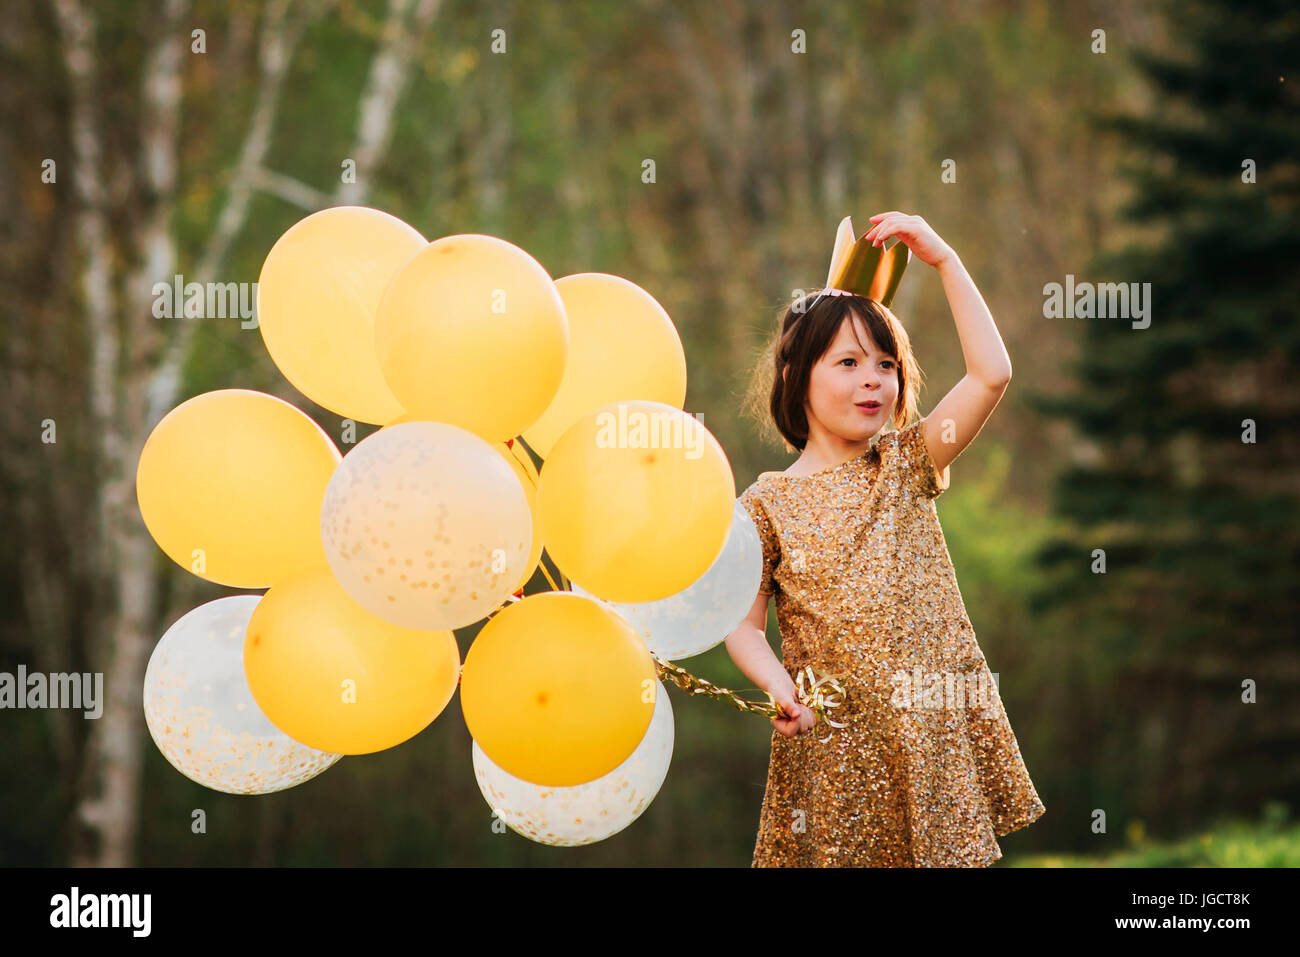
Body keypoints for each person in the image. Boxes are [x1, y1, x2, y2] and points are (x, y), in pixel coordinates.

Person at [726, 211, 1046, 867]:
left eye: (886, 363)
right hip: (832, 747)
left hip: (924, 740)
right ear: (796, 377)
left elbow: (990, 374)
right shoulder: (764, 504)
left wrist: (946, 261)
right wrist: (778, 686)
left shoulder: (905, 464)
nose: (873, 377)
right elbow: (743, 625)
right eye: (847, 362)